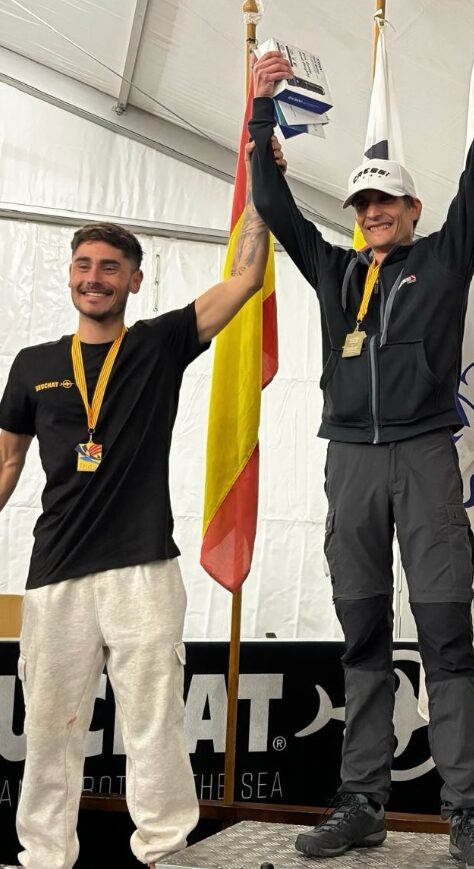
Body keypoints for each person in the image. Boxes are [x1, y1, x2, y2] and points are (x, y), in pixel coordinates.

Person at [248, 2, 474, 866]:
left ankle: (467, 812)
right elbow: (272, 203)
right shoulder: (332, 269)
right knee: (363, 638)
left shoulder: (442, 257)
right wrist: (260, 111)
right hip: (351, 464)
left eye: (386, 201)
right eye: (362, 202)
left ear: (411, 208)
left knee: (444, 638)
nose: (372, 212)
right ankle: (361, 801)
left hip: (425, 456)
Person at [0, 146, 270, 869]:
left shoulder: (157, 344)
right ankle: (44, 856)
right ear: (70, 275)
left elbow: (244, 279)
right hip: (56, 573)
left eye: (110, 267)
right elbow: (6, 462)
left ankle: (163, 851)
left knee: (153, 721)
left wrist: (260, 176)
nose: (95, 277)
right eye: (84, 265)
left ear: (135, 279)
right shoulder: (32, 365)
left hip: (143, 569)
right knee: (50, 730)